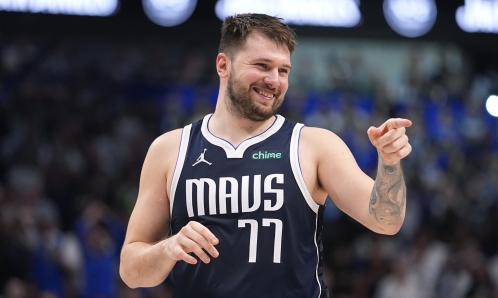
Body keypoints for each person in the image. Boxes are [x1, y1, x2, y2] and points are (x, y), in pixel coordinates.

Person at [119, 13, 412, 298]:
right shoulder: (170, 149)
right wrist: (168, 248)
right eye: (262, 65)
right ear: (223, 65)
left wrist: (389, 163)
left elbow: (386, 221)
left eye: (283, 70)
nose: (274, 80)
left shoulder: (314, 145)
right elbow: (131, 271)